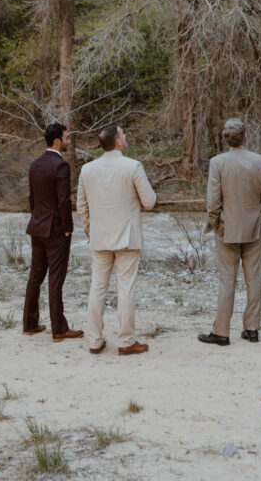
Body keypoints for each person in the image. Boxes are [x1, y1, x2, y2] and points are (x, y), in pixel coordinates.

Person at [77, 122, 156, 355]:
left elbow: (81, 206)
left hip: (100, 236)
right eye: (123, 133)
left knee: (97, 288)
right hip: (127, 238)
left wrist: (92, 229)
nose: (126, 134)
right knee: (126, 288)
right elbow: (150, 201)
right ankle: (126, 340)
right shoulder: (133, 166)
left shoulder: (87, 169)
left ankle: (94, 340)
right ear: (118, 142)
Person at [198, 118, 261, 346]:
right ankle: (252, 329)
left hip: (226, 229)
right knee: (254, 279)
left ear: (227, 141)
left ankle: (221, 332)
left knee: (226, 280)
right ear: (245, 138)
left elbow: (213, 201)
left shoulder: (218, 162)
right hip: (253, 227)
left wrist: (216, 223)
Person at [22, 122, 83, 342]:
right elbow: (63, 201)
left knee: (35, 277)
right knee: (56, 279)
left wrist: (36, 218)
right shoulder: (61, 166)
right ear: (56, 141)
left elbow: (32, 198)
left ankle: (29, 324)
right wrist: (67, 228)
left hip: (37, 227)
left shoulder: (35, 164)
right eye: (66, 137)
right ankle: (59, 329)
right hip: (55, 231)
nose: (68, 140)